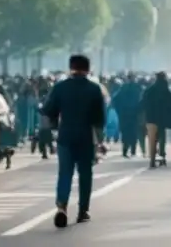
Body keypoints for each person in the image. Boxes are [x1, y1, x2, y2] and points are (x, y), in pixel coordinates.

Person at [41, 54, 106, 229]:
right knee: (85, 175)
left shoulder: (60, 88)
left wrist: (52, 131)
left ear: (71, 68)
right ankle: (83, 211)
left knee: (65, 173)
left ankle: (62, 206)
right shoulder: (94, 89)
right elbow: (98, 120)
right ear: (88, 69)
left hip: (65, 136)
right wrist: (101, 142)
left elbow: (48, 113)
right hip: (85, 137)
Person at [142, 72, 171, 168]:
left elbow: (143, 103)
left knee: (152, 140)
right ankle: (162, 156)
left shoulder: (149, 90)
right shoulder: (166, 91)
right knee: (162, 138)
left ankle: (152, 160)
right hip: (161, 119)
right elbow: (170, 106)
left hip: (150, 119)